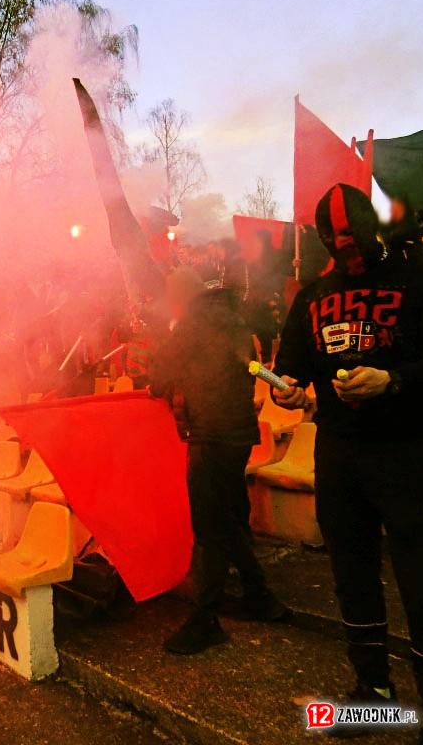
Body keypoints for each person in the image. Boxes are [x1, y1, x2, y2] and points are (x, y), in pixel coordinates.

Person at [273, 183, 423, 743]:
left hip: (410, 452)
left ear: (371, 225)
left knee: (422, 578)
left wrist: (393, 380)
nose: (346, 247)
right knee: (352, 575)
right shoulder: (312, 296)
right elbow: (289, 369)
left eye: (353, 234)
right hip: (340, 455)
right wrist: (286, 391)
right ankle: (375, 695)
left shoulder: (419, 276)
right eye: (334, 239)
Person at [149, 267, 288, 655]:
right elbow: (250, 367)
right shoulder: (235, 320)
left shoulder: (190, 327)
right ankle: (260, 597)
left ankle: (205, 618)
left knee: (210, 526)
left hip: (210, 436)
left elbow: (158, 376)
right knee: (229, 515)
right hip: (240, 435)